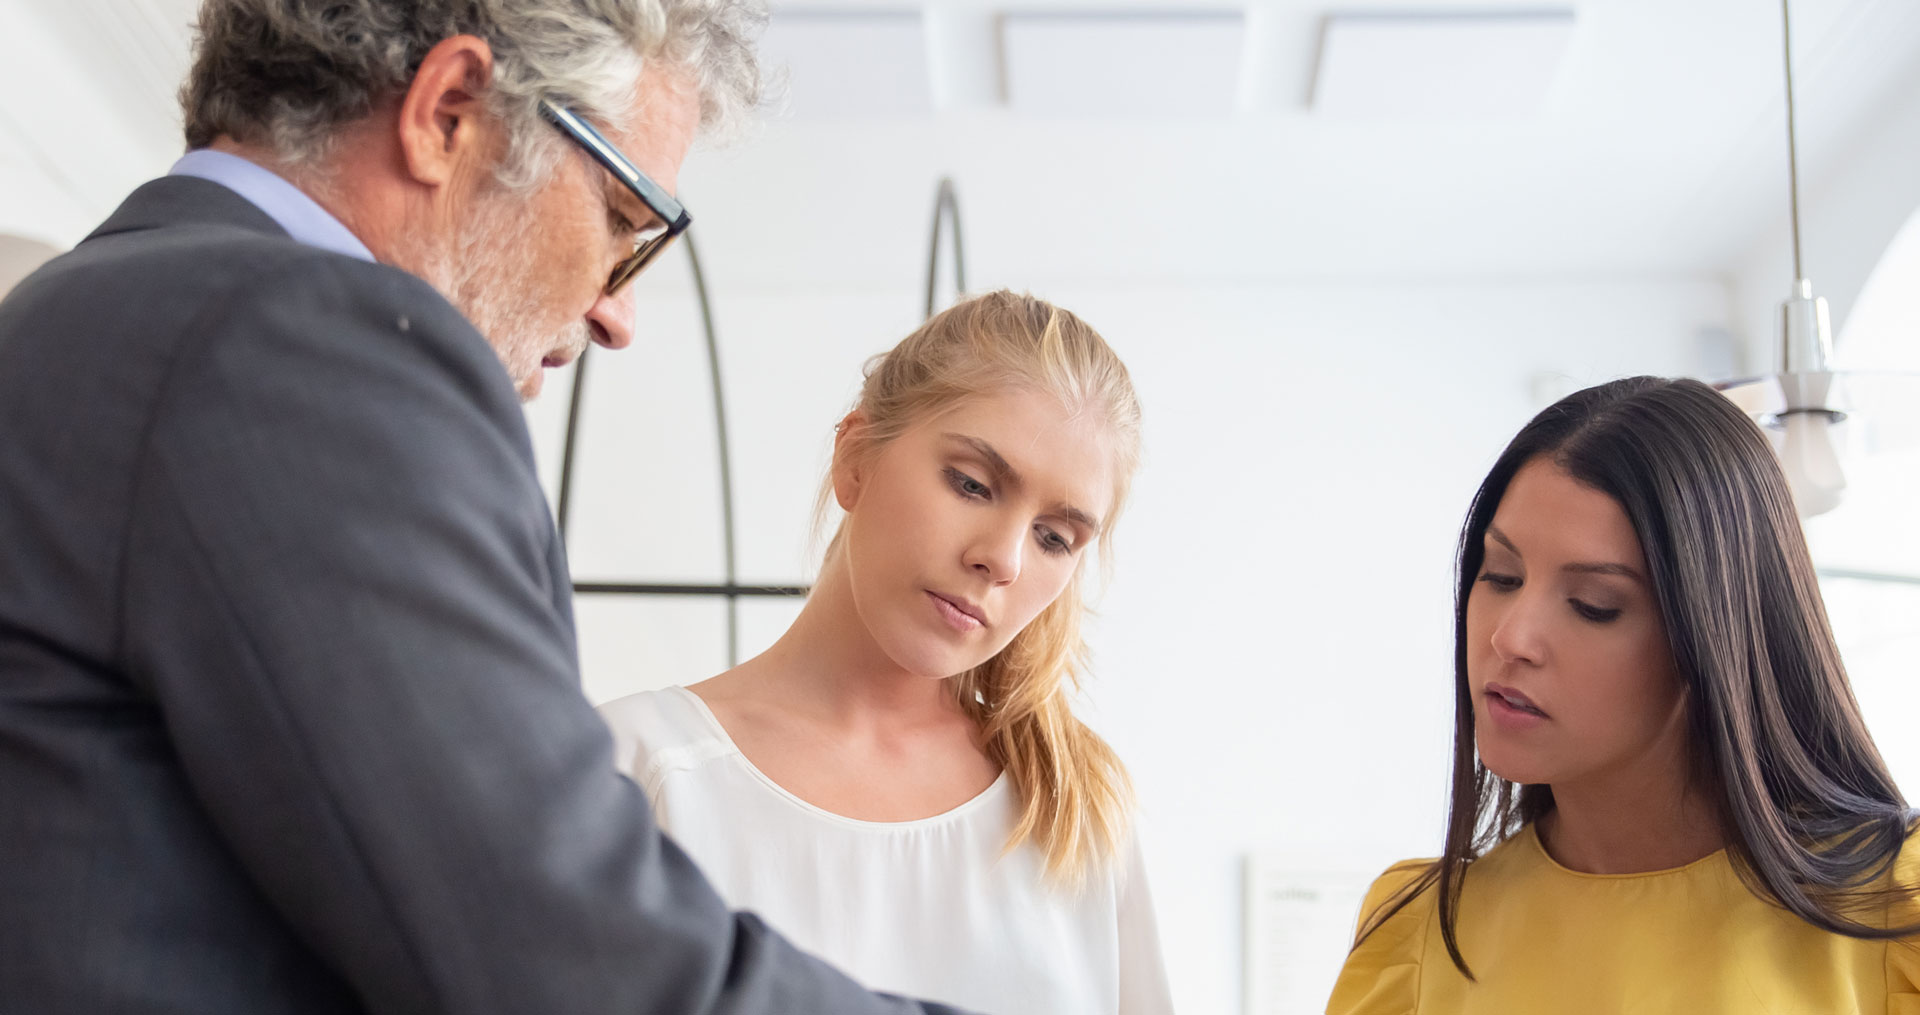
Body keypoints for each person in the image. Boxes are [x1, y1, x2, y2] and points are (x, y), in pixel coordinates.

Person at [0, 2, 977, 1012]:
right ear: (450, 111)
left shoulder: (92, 311)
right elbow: (560, 954)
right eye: (623, 221)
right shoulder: (294, 340)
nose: (618, 312)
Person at [599, 291, 1175, 1015]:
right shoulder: (636, 770)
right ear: (854, 459)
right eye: (972, 484)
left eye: (1054, 537)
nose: (1001, 559)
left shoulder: (1076, 811)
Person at [1327, 376, 1920, 1013]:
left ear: (1711, 641)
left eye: (1593, 606)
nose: (1510, 636)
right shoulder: (1419, 938)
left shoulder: (1892, 915)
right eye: (1500, 575)